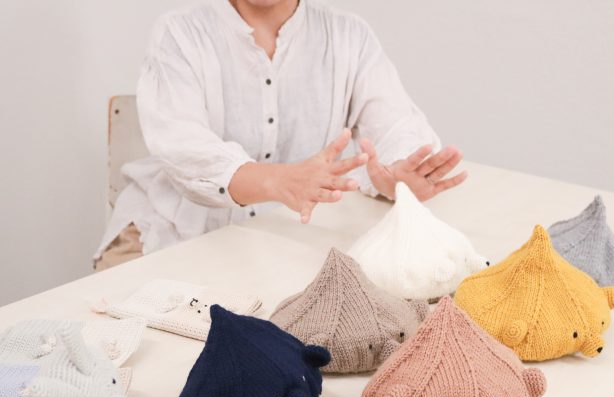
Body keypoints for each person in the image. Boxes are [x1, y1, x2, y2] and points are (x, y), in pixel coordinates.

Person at [94, 0, 467, 270]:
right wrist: (279, 180)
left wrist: (398, 175)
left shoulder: (348, 37)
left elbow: (396, 125)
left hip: (284, 245)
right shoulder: (180, 32)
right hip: (165, 235)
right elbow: (184, 147)